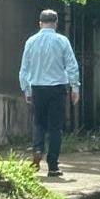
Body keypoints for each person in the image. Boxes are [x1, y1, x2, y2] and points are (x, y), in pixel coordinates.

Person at [18, 9, 80, 177]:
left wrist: (27, 89)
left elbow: (25, 68)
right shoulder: (62, 41)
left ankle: (37, 149)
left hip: (37, 87)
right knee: (55, 127)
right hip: (57, 88)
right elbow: (72, 66)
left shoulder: (31, 41)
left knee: (38, 123)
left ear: (40, 23)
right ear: (56, 23)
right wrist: (75, 87)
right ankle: (53, 165)